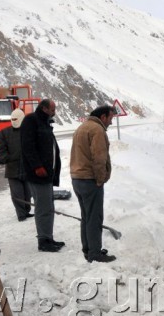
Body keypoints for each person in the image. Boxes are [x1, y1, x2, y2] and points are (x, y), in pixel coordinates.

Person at [70, 105, 117, 263]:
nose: (111, 122)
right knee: (94, 218)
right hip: (89, 179)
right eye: (110, 118)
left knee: (86, 216)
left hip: (77, 178)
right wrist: (100, 179)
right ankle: (95, 254)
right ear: (103, 117)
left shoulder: (82, 127)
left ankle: (88, 249)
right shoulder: (97, 130)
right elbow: (99, 157)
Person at [19, 99, 64, 252]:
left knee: (48, 206)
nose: (54, 112)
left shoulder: (45, 122)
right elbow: (27, 146)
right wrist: (37, 166)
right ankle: (43, 241)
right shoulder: (31, 121)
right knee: (43, 207)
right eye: (52, 110)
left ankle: (48, 237)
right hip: (38, 174)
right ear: (44, 109)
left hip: (47, 174)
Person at [0, 108, 32, 221]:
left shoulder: (28, 131)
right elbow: (1, 152)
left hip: (27, 169)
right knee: (17, 194)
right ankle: (21, 214)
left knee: (27, 193)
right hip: (13, 170)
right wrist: (10, 158)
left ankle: (27, 211)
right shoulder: (5, 133)